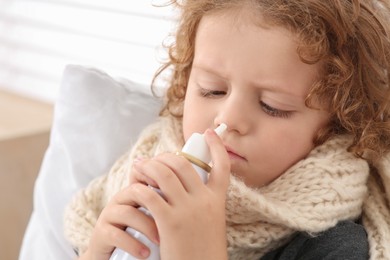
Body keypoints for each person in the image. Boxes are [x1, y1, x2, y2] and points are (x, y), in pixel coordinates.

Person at [63, 0, 390, 259]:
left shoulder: (334, 247)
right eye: (212, 90)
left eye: (272, 106)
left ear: (338, 124)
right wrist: (94, 254)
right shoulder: (129, 183)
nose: (227, 119)